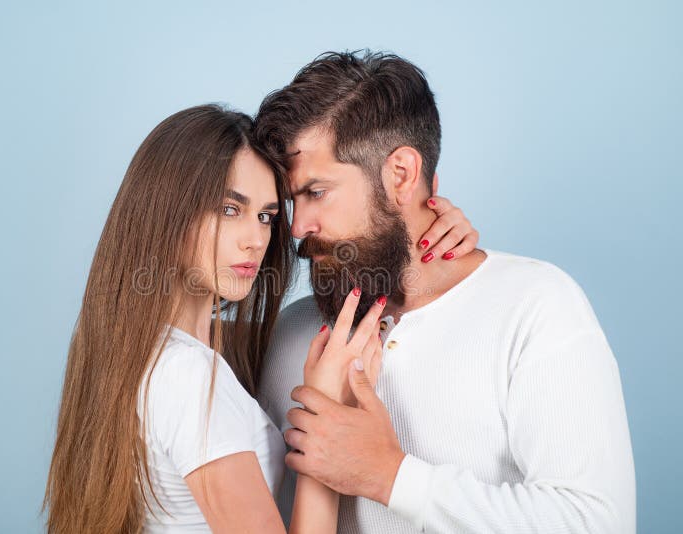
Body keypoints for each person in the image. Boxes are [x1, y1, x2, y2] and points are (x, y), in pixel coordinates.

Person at [43, 104, 479, 533]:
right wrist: (322, 420)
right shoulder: (191, 377)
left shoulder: (141, 346)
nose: (256, 239)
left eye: (267, 216)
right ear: (167, 210)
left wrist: (413, 216)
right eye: (230, 209)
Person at [255, 50, 636, 533]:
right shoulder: (292, 331)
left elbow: (597, 522)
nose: (297, 227)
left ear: (400, 175)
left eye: (316, 192)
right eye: (290, 201)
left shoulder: (537, 307)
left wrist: (390, 476)